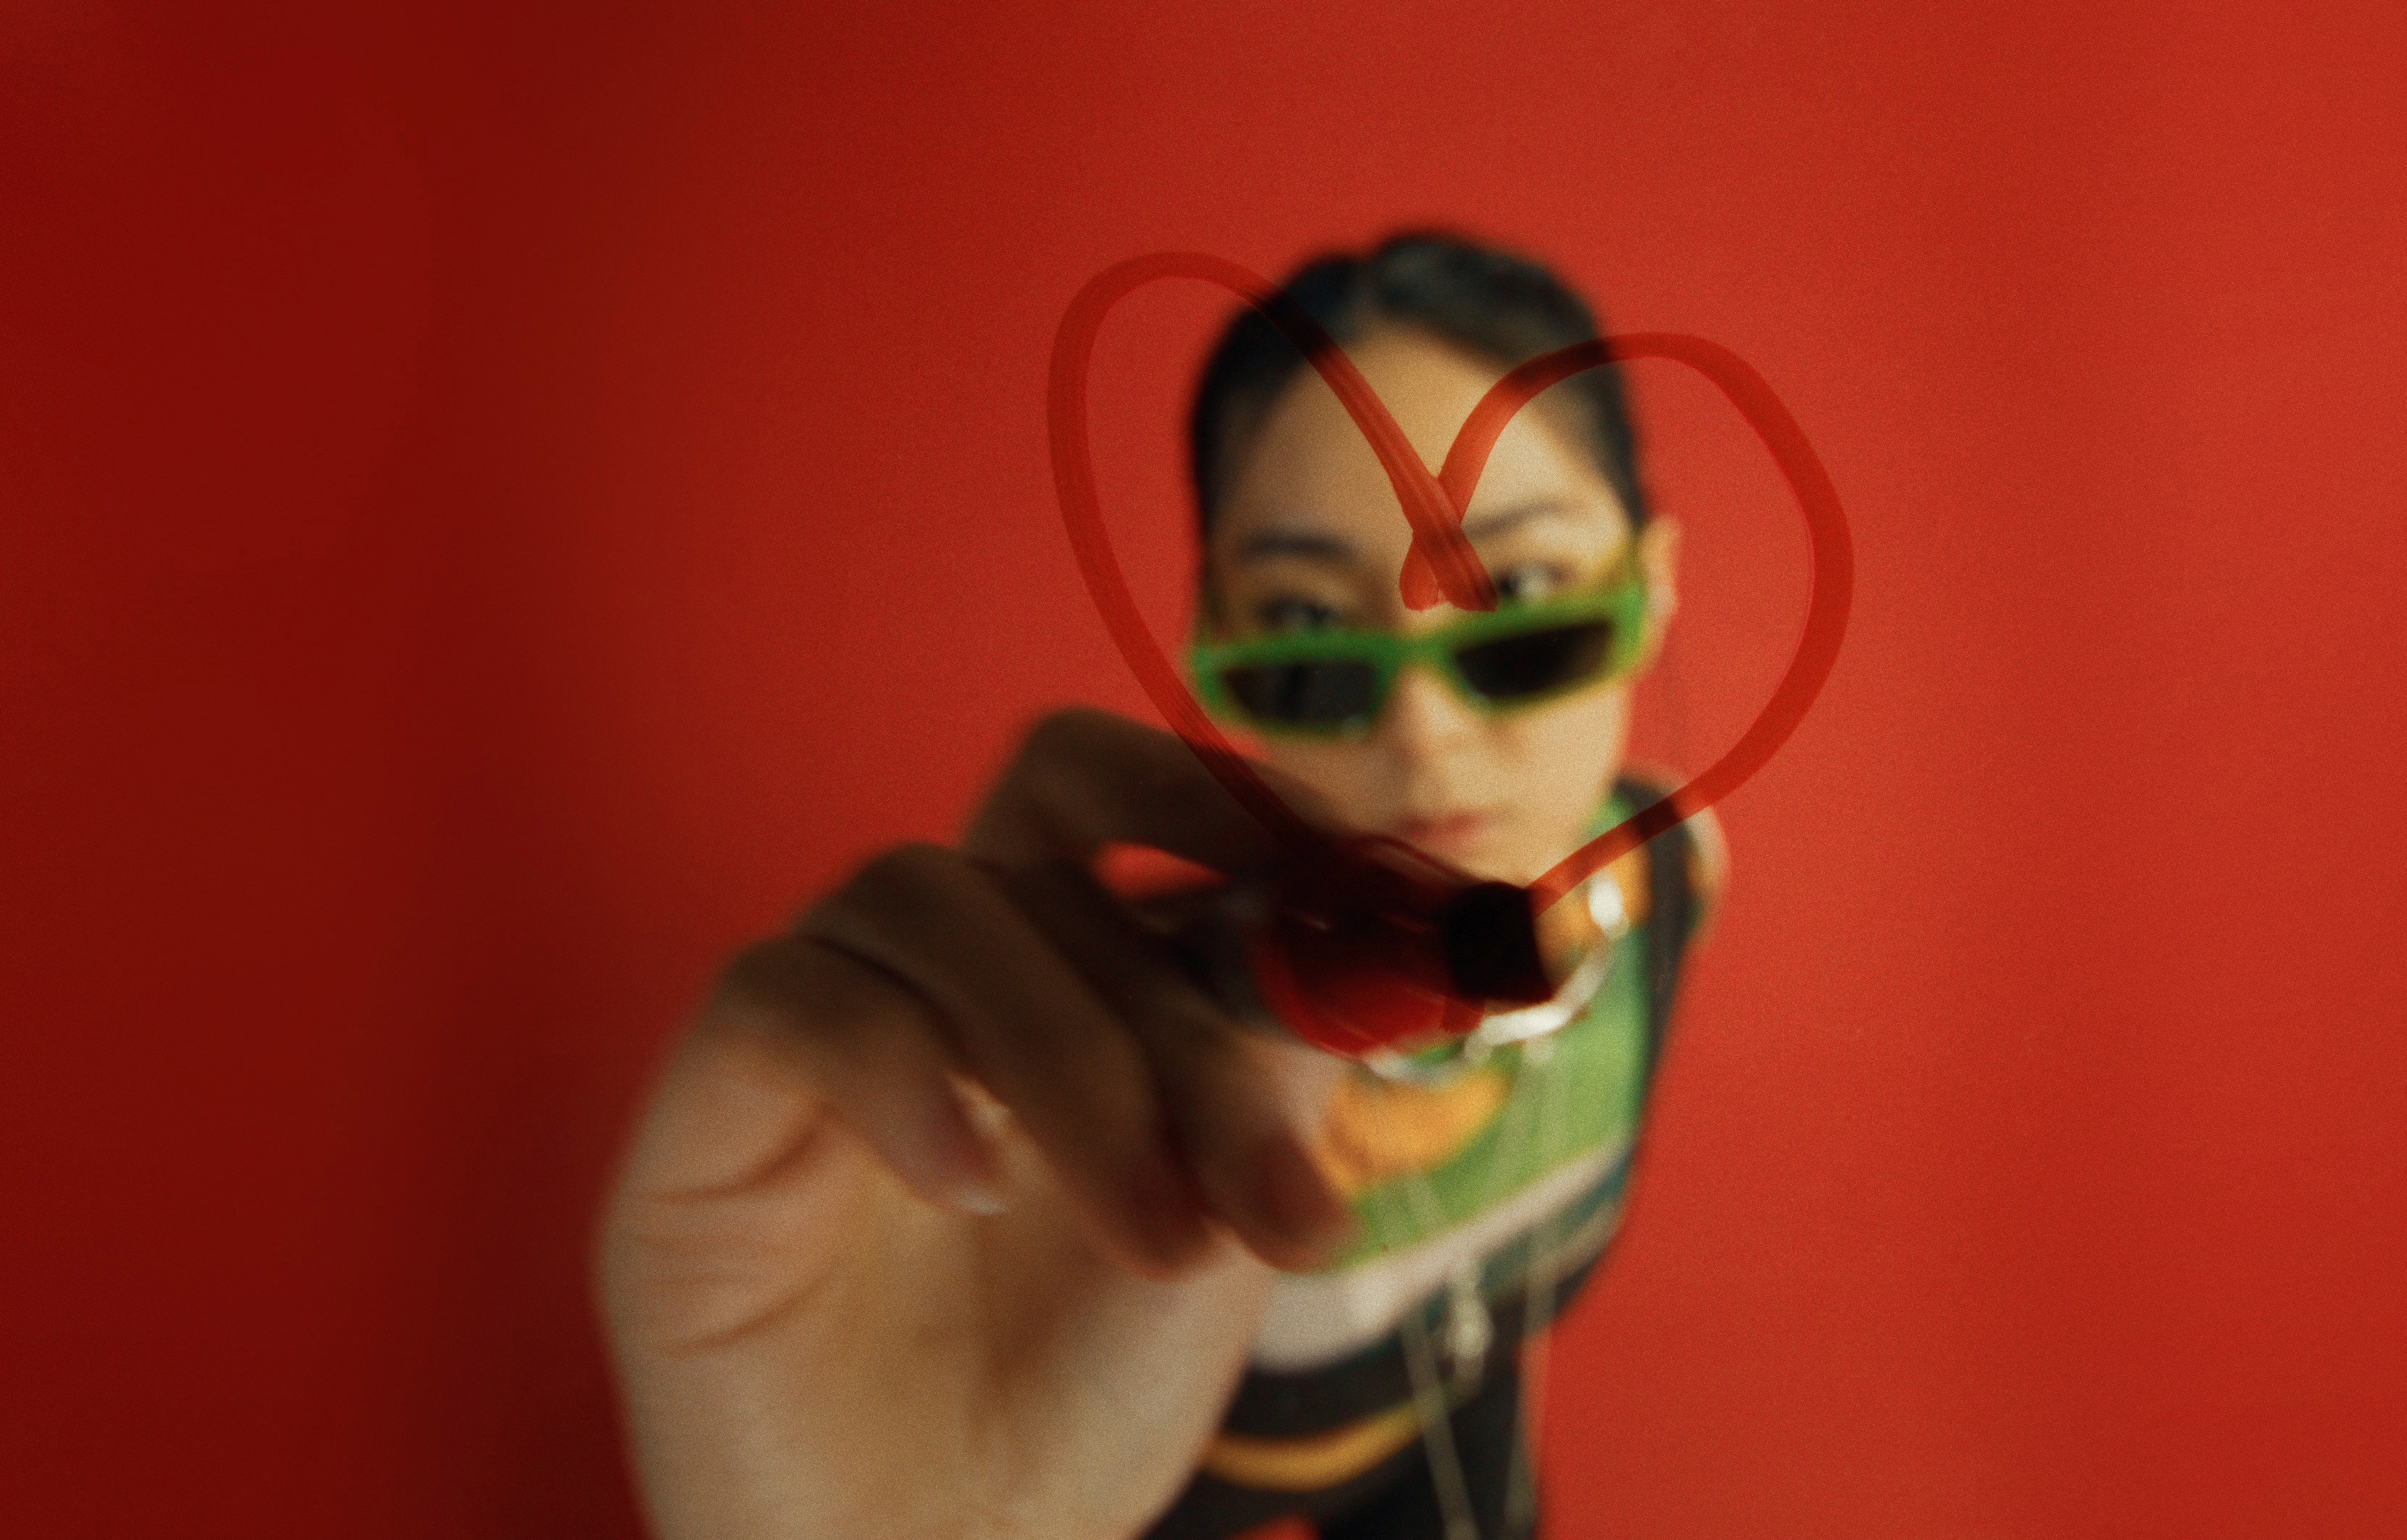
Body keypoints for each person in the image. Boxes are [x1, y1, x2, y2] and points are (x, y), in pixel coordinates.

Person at [597, 232, 1723, 1540]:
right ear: (1214, 634)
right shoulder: (1136, 1086)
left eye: (1521, 594)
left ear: (1652, 586)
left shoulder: (1674, 875)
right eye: (1306, 623)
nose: (1421, 731)